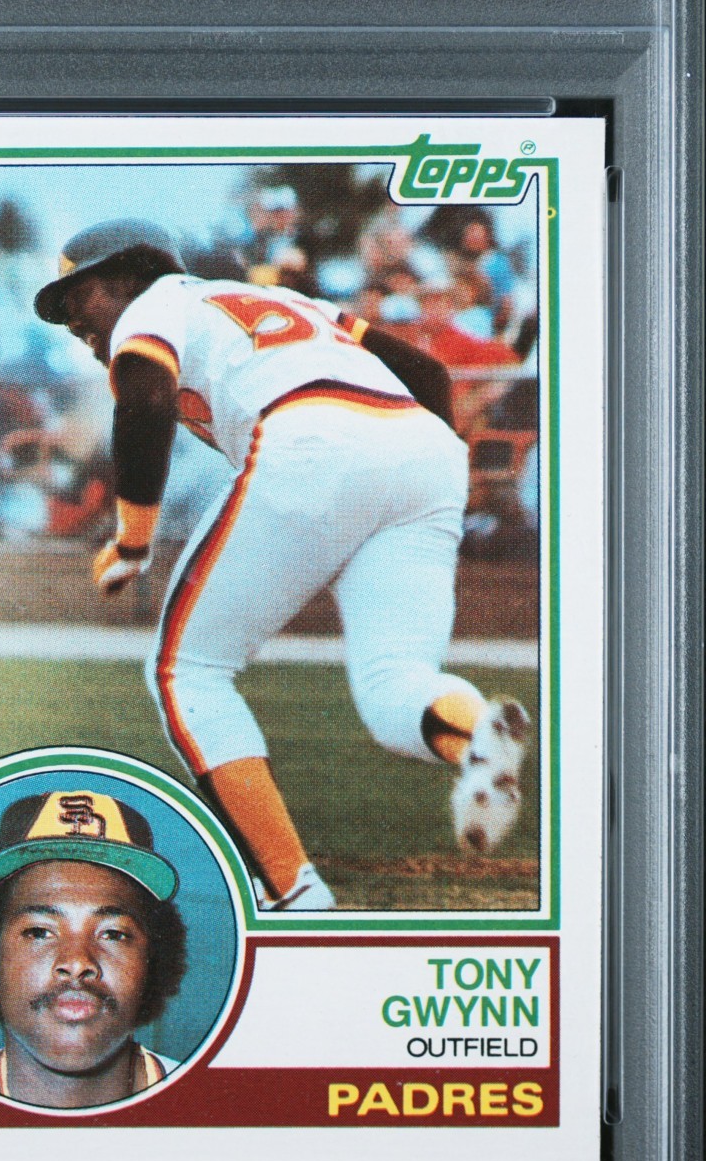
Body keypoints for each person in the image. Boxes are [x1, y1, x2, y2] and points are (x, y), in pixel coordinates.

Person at [34, 221, 530, 913]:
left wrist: (134, 538)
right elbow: (426, 374)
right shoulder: (287, 303)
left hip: (312, 435)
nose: (71, 321)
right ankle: (479, 737)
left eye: (76, 298)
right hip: (421, 447)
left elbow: (144, 400)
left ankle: (292, 891)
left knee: (186, 672)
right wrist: (426, 470)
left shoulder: (155, 303)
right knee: (395, 685)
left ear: (124, 276)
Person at [0, 786, 186, 1107]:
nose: (77, 962)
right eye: (39, 932)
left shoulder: (212, 1106)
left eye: (112, 934)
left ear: (150, 971)